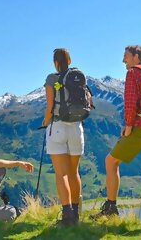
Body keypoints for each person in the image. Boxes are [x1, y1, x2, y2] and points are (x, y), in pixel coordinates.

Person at [91, 45, 141, 231]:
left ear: (136, 57)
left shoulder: (133, 73)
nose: (123, 60)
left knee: (111, 162)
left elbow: (130, 103)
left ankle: (110, 208)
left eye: (126, 56)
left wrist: (128, 128)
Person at [42, 48, 87, 226]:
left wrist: (46, 121)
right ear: (69, 60)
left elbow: (50, 106)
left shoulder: (52, 79)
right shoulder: (78, 77)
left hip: (58, 127)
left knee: (61, 175)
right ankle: (76, 213)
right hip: (77, 127)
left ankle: (67, 215)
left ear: (55, 62)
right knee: (74, 172)